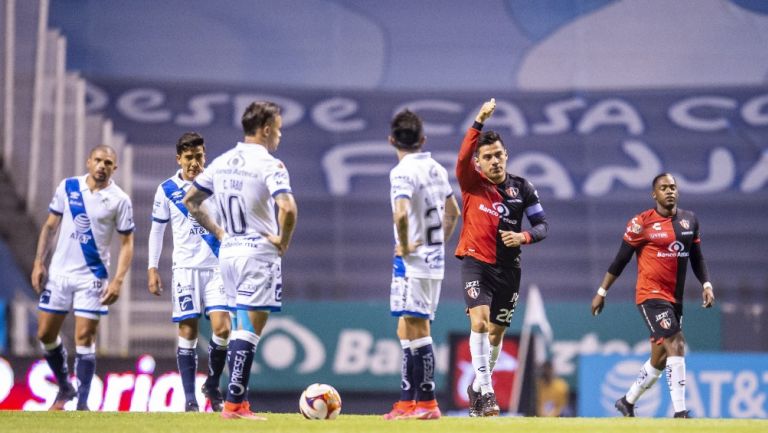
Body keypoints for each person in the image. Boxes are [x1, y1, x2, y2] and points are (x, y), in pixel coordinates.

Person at [183, 101, 297, 421]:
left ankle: (238, 400)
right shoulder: (270, 164)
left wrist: (219, 231)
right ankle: (234, 404)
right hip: (257, 255)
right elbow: (287, 207)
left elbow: (191, 200)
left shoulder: (221, 162)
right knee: (249, 330)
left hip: (229, 253)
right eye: (277, 128)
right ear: (264, 129)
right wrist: (283, 242)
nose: (279, 135)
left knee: (238, 328)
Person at [591, 173, 714, 419]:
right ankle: (680, 413)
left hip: (674, 299)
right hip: (650, 296)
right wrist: (602, 292)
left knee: (659, 359)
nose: (669, 191)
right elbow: (621, 259)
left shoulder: (690, 221)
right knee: (676, 343)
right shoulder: (641, 223)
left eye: (673, 187)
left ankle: (627, 401)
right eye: (663, 188)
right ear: (654, 194)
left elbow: (697, 257)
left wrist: (707, 284)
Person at [456, 98, 549, 417]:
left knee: (496, 334)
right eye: (487, 157)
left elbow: (542, 226)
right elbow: (462, 158)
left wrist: (522, 236)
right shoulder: (472, 184)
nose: (494, 161)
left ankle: (477, 388)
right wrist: (478, 120)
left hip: (509, 270)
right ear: (478, 163)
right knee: (479, 323)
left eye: (498, 155)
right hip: (475, 263)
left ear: (506, 155)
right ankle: (488, 392)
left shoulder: (523, 189)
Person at [31, 145, 134, 411]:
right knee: (45, 334)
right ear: (88, 161)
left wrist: (118, 280)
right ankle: (65, 385)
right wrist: (38, 263)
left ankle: (83, 405)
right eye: (98, 160)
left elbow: (126, 243)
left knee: (84, 338)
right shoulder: (69, 187)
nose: (102, 166)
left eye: (108, 162)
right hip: (59, 274)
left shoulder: (120, 200)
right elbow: (50, 226)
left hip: (93, 277)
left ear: (115, 168)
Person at [383, 110, 461, 420]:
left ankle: (426, 401)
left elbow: (401, 213)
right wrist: (439, 242)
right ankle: (407, 401)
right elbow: (453, 211)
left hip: (412, 262)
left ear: (392, 140)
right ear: (423, 140)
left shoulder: (401, 172)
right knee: (406, 326)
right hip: (432, 261)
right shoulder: (436, 169)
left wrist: (403, 244)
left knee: (417, 328)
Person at [147, 132, 232, 412]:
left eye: (199, 156)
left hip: (216, 267)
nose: (195, 163)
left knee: (223, 328)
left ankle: (212, 385)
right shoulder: (167, 189)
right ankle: (190, 400)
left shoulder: (216, 183)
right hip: (185, 269)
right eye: (189, 158)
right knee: (188, 332)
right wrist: (152, 267)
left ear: (204, 156)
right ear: (179, 159)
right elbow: (157, 229)